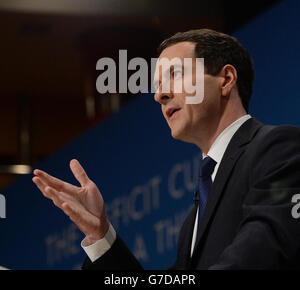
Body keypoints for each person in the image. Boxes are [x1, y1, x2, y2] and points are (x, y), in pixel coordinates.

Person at [33, 28, 300, 270]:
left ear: (226, 79)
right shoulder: (191, 225)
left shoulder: (278, 148)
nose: (159, 95)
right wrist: (100, 235)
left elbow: (264, 250)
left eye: (176, 75)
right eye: (159, 85)